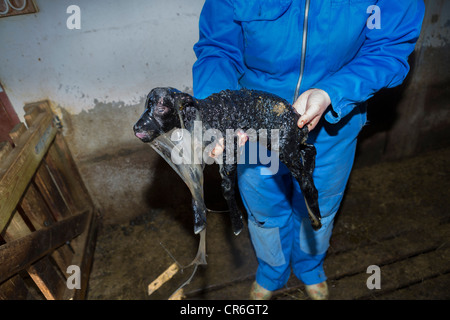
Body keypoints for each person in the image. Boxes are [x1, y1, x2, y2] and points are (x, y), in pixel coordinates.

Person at [192, 0, 425, 300]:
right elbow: (218, 47)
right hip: (252, 126)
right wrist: (222, 113)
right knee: (263, 207)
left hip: (332, 123)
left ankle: (309, 266)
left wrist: (333, 91)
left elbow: (388, 48)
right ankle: (272, 270)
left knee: (318, 204)